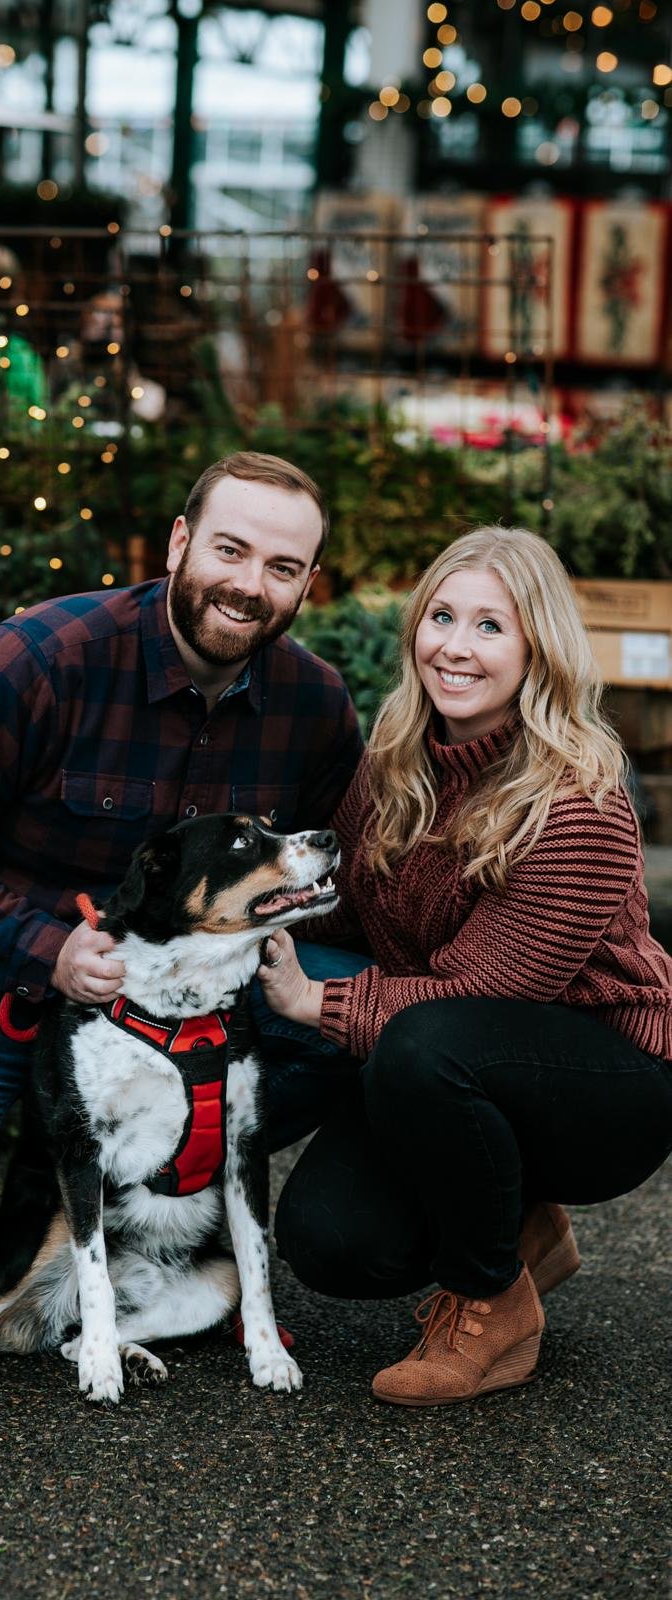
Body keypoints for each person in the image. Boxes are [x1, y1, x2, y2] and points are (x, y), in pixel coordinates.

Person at [0, 451, 366, 1278]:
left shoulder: (313, 706)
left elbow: (334, 870)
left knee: (354, 1022)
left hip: (174, 987)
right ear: (178, 542)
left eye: (282, 567)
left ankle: (149, 1178)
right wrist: (46, 948)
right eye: (229, 551)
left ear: (307, 584)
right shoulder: (41, 658)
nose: (249, 585)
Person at [258, 525, 672, 1408]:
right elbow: (363, 921)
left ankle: (492, 1301)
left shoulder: (576, 802)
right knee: (332, 1239)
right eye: (442, 616)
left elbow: (482, 993)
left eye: (490, 626)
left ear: (538, 648)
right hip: (455, 1052)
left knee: (422, 1042)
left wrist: (311, 1001)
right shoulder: (392, 767)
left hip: (607, 1078)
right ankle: (518, 1221)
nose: (455, 646)